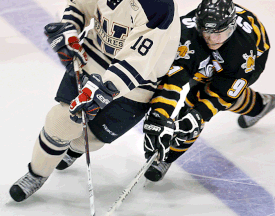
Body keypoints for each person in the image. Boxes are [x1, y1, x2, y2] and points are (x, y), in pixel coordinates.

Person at [9, 0, 181, 202]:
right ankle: (37, 174)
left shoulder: (158, 6)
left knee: (90, 140)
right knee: (61, 123)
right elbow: (80, 6)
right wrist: (69, 29)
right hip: (93, 60)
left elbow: (137, 63)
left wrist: (102, 92)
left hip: (136, 86)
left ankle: (73, 149)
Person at [142, 0, 275, 182]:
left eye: (219, 33)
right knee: (192, 78)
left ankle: (166, 156)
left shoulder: (242, 51)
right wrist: (158, 116)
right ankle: (260, 105)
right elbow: (171, 81)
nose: (211, 39)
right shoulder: (186, 33)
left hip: (251, 59)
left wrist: (196, 117)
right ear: (199, 26)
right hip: (208, 51)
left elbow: (221, 95)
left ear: (231, 27)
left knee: (199, 99)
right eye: (206, 32)